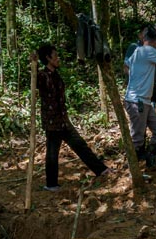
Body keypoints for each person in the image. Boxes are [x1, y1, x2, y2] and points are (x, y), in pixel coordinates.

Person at [36, 43, 113, 192]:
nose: (58, 59)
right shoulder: (42, 75)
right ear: (48, 58)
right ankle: (51, 184)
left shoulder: (56, 74)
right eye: (55, 56)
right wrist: (33, 64)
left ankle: (100, 170)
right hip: (52, 123)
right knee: (52, 153)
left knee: (80, 145)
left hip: (63, 121)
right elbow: (34, 81)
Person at [124, 25, 156, 169]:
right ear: (155, 41)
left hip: (143, 100)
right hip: (137, 101)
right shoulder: (147, 51)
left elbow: (129, 66)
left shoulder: (138, 51)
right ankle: (133, 170)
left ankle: (150, 161)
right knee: (138, 138)